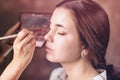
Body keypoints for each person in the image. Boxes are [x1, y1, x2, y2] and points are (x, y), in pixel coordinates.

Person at [0, 0, 120, 80]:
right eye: (50, 27)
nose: (47, 37)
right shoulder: (57, 75)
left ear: (86, 45)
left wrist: (17, 65)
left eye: (60, 32)